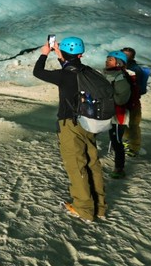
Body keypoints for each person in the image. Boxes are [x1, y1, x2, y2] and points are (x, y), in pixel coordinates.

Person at [32, 36, 107, 222]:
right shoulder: (87, 71)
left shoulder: (63, 75)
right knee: (92, 163)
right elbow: (71, 68)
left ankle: (84, 209)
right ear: (81, 54)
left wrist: (44, 54)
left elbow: (38, 72)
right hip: (89, 123)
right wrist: (60, 56)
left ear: (64, 53)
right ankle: (100, 208)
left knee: (76, 165)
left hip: (70, 124)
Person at [104, 51, 134, 179]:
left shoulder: (120, 77)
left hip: (118, 115)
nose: (107, 61)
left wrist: (106, 96)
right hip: (107, 112)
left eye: (110, 59)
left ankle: (119, 168)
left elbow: (121, 99)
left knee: (116, 141)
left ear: (119, 62)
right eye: (107, 59)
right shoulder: (109, 74)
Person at [121, 47, 145, 157]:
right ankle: (126, 141)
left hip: (133, 102)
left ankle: (134, 147)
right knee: (118, 123)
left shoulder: (136, 70)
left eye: (128, 55)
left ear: (132, 57)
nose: (125, 57)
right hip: (121, 101)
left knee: (134, 124)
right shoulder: (116, 67)